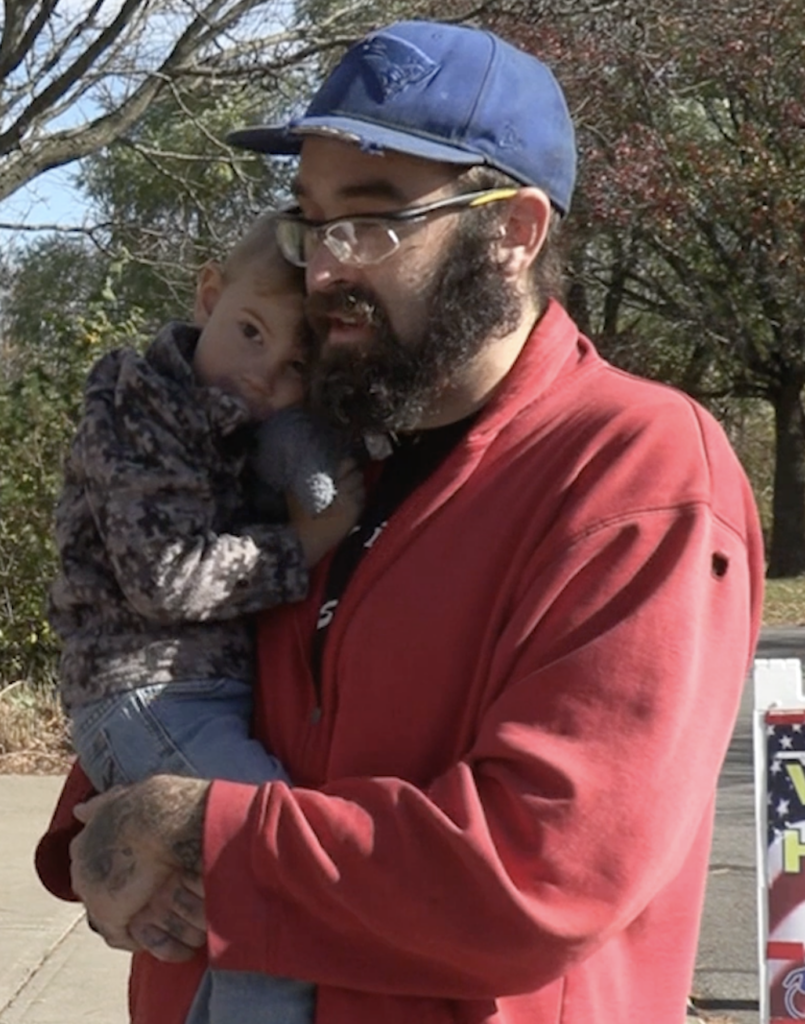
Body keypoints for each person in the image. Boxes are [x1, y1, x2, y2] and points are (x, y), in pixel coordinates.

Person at [36, 19, 764, 1024]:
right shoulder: (324, 437)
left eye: (368, 223)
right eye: (309, 219)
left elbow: (543, 865)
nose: (324, 266)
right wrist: (113, 833)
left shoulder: (634, 472)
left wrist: (203, 832)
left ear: (512, 233)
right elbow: (187, 685)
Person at [47, 210, 363, 1024]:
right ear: (207, 297)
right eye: (250, 332)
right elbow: (165, 577)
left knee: (230, 912)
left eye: (295, 366)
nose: (262, 375)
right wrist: (303, 542)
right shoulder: (138, 405)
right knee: (277, 874)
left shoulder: (239, 429)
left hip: (191, 696)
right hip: (149, 692)